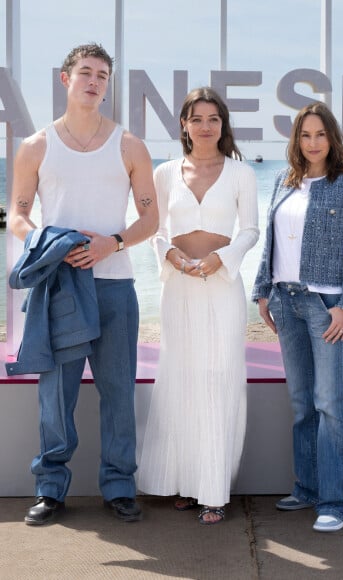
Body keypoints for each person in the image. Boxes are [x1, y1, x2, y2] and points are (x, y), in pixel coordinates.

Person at [8, 43, 158, 525]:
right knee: (57, 393)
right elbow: (17, 214)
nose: (95, 82)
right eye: (86, 73)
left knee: (118, 391)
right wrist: (48, 243)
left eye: (103, 76)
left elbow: (151, 220)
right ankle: (50, 488)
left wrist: (112, 242)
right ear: (65, 79)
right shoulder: (36, 146)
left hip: (115, 287)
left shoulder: (130, 145)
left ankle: (118, 484)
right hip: (59, 288)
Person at [137, 87, 259, 525]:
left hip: (222, 284)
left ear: (223, 125)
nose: (205, 126)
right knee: (182, 377)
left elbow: (250, 231)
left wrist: (220, 260)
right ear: (184, 125)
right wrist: (169, 255)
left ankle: (214, 488)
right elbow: (153, 228)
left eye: (213, 118)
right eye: (197, 118)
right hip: (180, 286)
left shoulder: (241, 173)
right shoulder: (166, 172)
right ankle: (188, 482)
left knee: (218, 376)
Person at [252, 102, 343, 532]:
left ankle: (334, 501)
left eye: (320, 134)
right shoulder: (285, 179)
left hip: (326, 306)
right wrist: (262, 292)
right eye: (305, 135)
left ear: (332, 138)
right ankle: (307, 487)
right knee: (302, 404)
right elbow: (272, 241)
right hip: (285, 301)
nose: (313, 142)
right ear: (296, 140)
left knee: (332, 404)